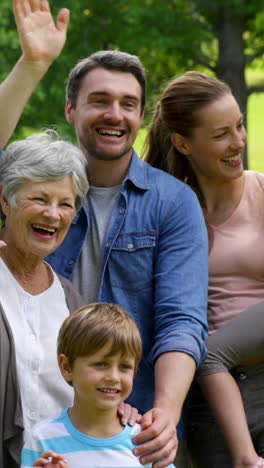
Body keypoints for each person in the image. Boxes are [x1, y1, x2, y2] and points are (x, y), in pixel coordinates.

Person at [0, 1, 209, 466]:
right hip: (34, 414)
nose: (114, 114)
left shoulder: (173, 203)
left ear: (140, 116)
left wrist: (163, 416)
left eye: (128, 104)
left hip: (124, 426)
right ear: (71, 110)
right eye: (100, 101)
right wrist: (32, 66)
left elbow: (182, 320)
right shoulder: (34, 183)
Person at [144, 70, 264, 467]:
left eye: (240, 127)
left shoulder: (261, 192)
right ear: (182, 143)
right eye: (220, 135)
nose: (238, 142)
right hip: (213, 403)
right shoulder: (170, 210)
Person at [0, 130, 88, 467]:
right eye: (39, 198)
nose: (53, 214)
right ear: (5, 200)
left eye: (65, 204)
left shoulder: (70, 299)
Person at [21, 302, 176, 468]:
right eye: (101, 364)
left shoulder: (147, 442)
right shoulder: (42, 439)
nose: (113, 377)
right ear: (67, 367)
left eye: (125, 367)